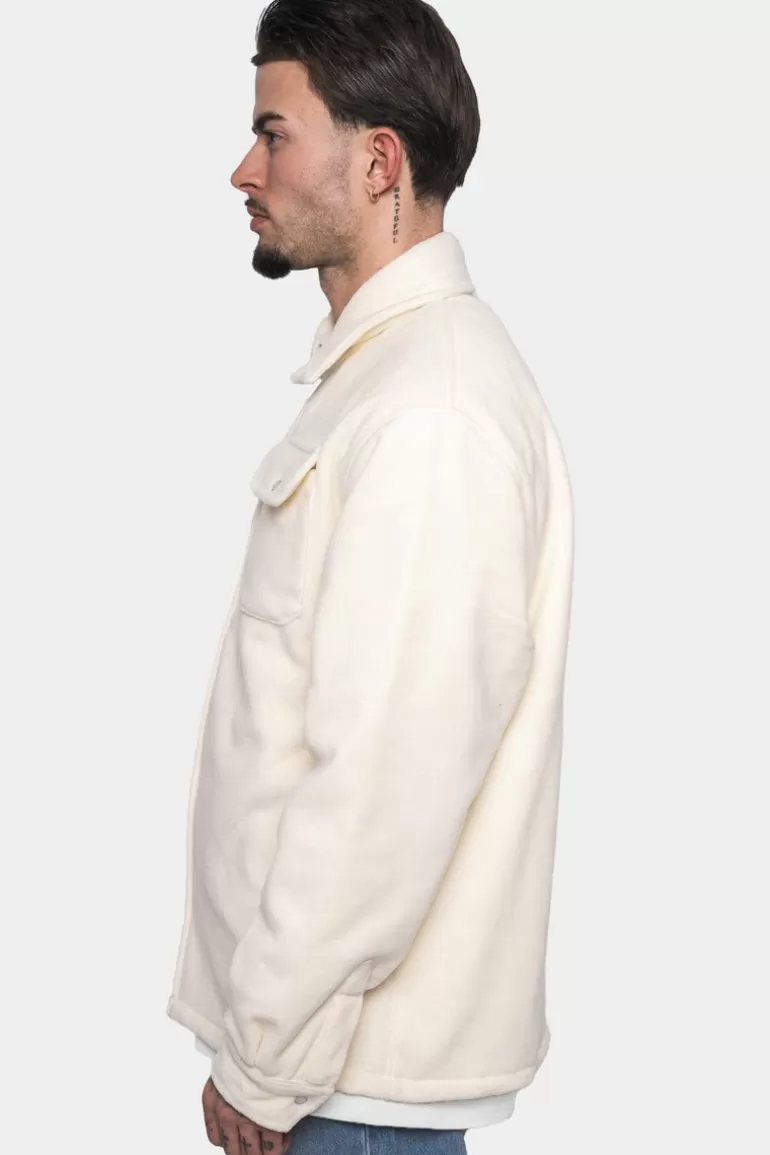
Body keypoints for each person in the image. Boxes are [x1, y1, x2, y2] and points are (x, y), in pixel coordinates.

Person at [165, 1, 575, 1152]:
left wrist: (264, 1059)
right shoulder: (388, 382)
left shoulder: (430, 407)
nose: (243, 170)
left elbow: (387, 781)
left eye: (274, 133)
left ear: (379, 161)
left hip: (340, 1098)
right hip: (329, 1081)